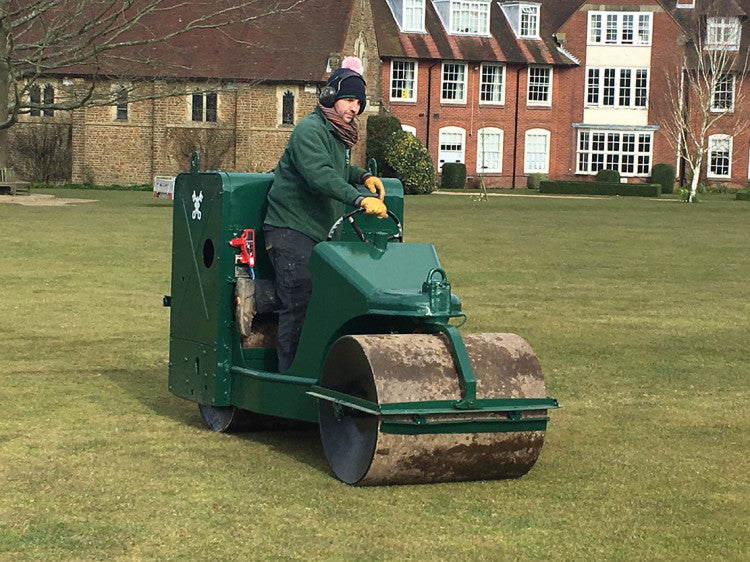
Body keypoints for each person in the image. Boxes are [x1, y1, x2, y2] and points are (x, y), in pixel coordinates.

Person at [255, 57, 387, 372]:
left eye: (359, 103)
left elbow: (337, 168)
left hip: (319, 233)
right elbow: (320, 175)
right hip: (289, 229)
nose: (354, 108)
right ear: (329, 97)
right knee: (298, 303)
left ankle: (322, 372)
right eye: (349, 100)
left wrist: (361, 176)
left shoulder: (339, 133)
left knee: (329, 302)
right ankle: (291, 378)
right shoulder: (309, 130)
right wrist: (359, 198)